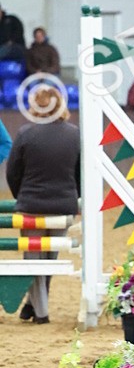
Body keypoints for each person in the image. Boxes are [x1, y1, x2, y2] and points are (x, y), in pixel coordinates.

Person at [5, 85, 80, 324]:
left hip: (32, 205)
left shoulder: (25, 133)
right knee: (50, 257)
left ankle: (40, 312)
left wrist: (22, 197)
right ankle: (33, 304)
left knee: (33, 258)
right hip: (64, 206)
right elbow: (80, 173)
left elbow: (12, 172)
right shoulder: (75, 134)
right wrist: (74, 197)